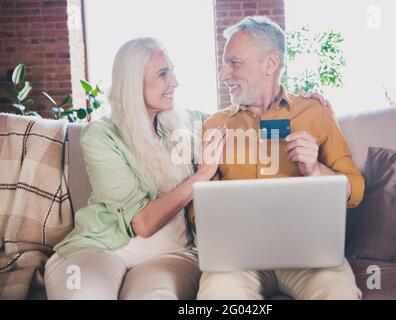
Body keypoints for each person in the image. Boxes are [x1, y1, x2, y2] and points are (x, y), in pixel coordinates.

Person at [194, 16, 365, 300]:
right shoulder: (214, 126)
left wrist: (316, 170)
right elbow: (198, 213)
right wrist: (206, 182)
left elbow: (356, 189)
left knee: (337, 293)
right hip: (238, 261)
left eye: (234, 63)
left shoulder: (315, 114)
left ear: (270, 64)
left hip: (309, 257)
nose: (224, 74)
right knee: (218, 295)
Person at [44, 37, 226, 300]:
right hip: (99, 248)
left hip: (171, 254)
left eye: (171, 71)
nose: (174, 82)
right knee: (84, 296)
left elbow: (241, 120)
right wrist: (202, 176)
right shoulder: (101, 135)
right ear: (132, 82)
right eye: (163, 73)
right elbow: (142, 222)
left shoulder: (190, 123)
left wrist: (307, 106)